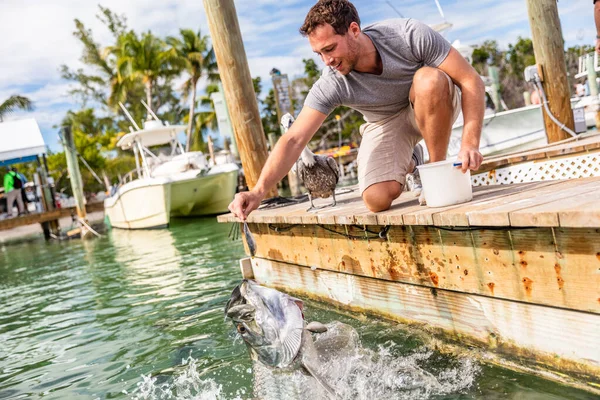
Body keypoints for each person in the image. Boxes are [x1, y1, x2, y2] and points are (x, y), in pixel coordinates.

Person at [229, 0, 484, 220]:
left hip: (430, 102)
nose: (327, 61)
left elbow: (471, 80)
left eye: (330, 49)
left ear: (353, 30)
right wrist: (258, 191)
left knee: (429, 79)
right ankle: (412, 159)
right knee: (376, 199)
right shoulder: (331, 81)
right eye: (319, 54)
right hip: (385, 123)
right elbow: (294, 139)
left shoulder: (407, 34)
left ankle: (434, 175)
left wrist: (470, 143)